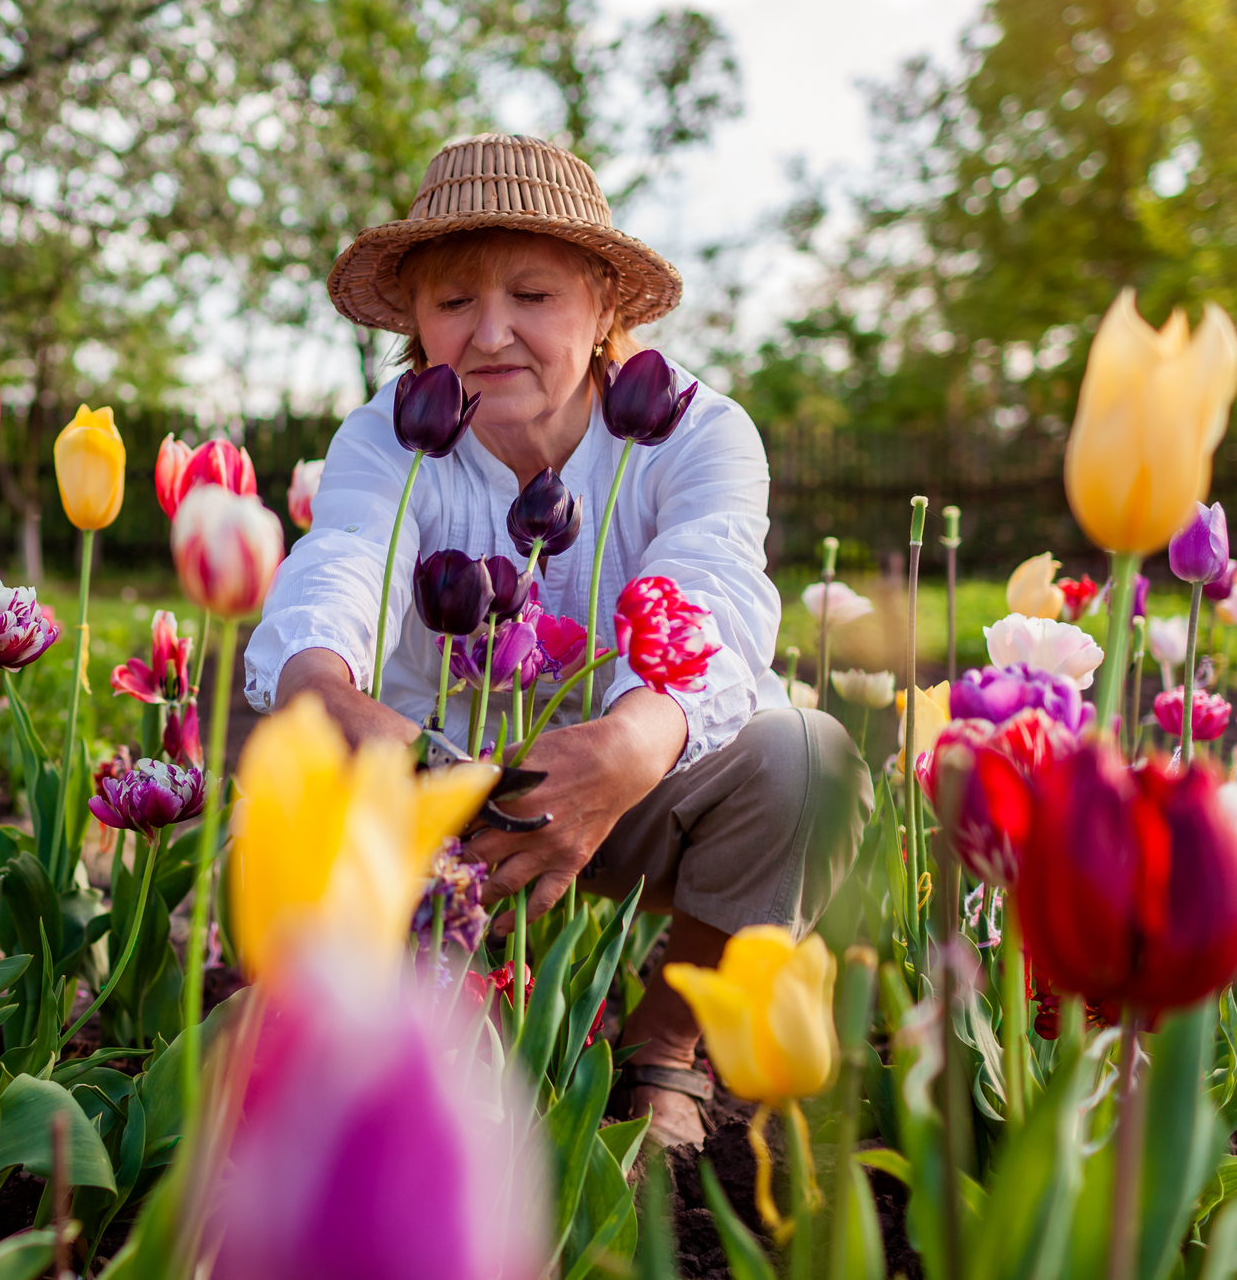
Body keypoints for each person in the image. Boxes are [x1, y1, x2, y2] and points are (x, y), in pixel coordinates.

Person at [244, 134, 870, 1146]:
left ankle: (666, 1043)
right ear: (414, 319)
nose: (492, 333)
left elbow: (711, 597)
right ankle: (447, 1056)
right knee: (286, 825)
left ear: (604, 305)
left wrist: (627, 744)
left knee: (808, 758)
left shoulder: (696, 433)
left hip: (647, 782)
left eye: (533, 296)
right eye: (453, 302)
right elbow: (338, 568)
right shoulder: (390, 440)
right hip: (444, 790)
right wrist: (327, 694)